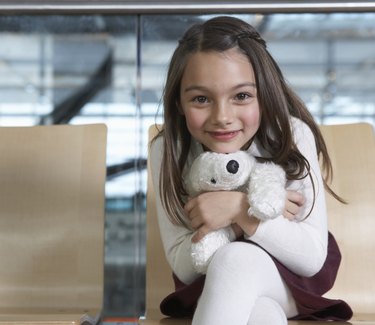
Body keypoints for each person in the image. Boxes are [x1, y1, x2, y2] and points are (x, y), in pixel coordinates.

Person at [149, 15, 352, 325]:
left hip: (288, 285)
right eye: (201, 99)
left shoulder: (292, 135)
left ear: (265, 94)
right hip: (210, 290)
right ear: (178, 102)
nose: (223, 116)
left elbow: (310, 259)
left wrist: (239, 210)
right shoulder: (168, 149)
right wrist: (238, 222)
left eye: (241, 96)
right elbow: (182, 266)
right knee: (261, 316)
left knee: (237, 259)